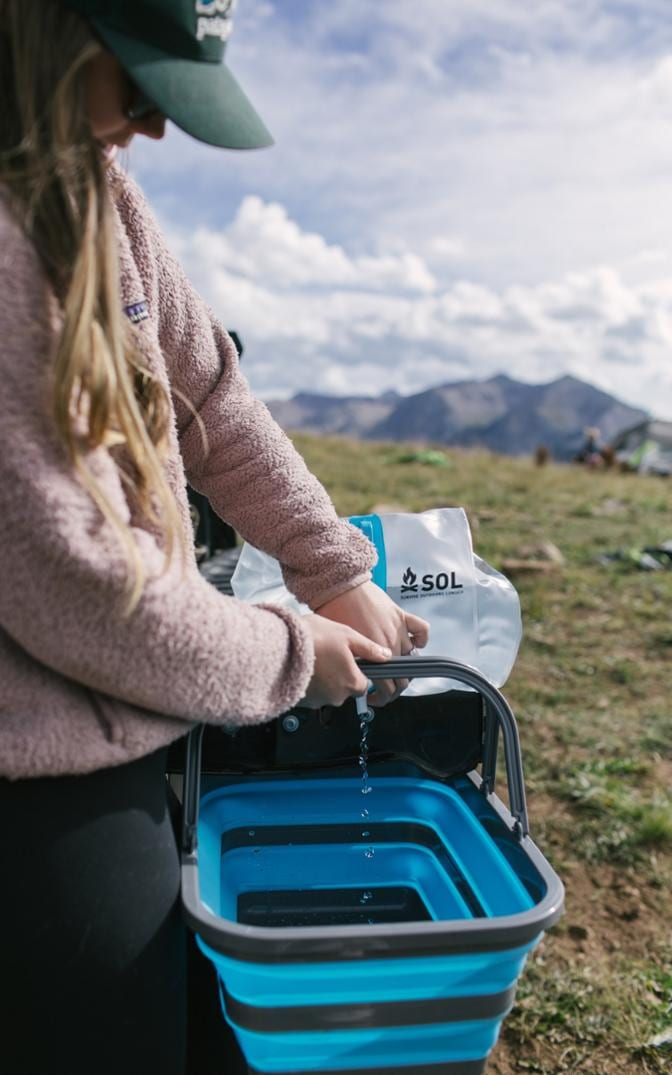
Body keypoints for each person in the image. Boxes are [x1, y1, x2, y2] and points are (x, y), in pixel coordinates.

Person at [0, 2, 429, 1072]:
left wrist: (332, 568)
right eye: (139, 81)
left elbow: (214, 402)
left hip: (123, 709)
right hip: (29, 775)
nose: (153, 125)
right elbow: (83, 590)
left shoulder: (101, 193)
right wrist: (290, 651)